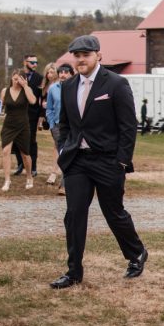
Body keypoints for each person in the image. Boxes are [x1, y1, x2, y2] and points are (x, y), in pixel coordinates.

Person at [49, 35, 147, 289]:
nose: (81, 59)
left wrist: (123, 161)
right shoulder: (68, 86)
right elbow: (64, 125)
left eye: (86, 55)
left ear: (98, 56)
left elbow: (128, 126)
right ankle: (73, 272)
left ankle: (136, 254)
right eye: (77, 55)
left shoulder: (116, 84)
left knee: (113, 212)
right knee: (74, 215)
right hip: (77, 161)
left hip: (108, 161)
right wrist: (63, 150)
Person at [0, 68, 35, 192]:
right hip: (8, 125)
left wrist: (25, 86)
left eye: (19, 79)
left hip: (23, 125)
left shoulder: (26, 90)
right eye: (14, 79)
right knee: (5, 151)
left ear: (23, 80)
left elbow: (33, 101)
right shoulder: (5, 91)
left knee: (25, 154)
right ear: (11, 78)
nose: (16, 82)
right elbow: (3, 105)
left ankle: (29, 177)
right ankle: (7, 180)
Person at [45, 63, 74, 195]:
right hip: (57, 126)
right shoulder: (53, 89)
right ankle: (66, 183)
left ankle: (65, 185)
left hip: (73, 126)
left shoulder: (76, 88)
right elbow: (49, 108)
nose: (63, 74)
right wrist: (51, 124)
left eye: (66, 72)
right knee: (63, 154)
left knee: (67, 154)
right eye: (61, 72)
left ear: (71, 74)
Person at [13, 54, 43, 177]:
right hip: (17, 113)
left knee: (31, 141)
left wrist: (41, 117)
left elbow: (41, 99)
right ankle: (20, 164)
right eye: (32, 62)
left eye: (36, 62)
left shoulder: (40, 78)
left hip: (32, 116)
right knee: (16, 140)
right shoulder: (17, 76)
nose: (35, 65)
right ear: (25, 62)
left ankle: (33, 167)